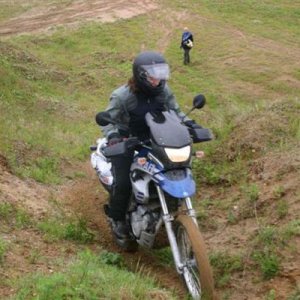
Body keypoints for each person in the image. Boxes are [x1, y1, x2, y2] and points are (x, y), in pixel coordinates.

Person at [98, 51, 201, 241]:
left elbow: (177, 113)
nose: (158, 80)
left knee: (176, 169)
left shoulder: (164, 91)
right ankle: (117, 219)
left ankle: (169, 208)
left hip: (157, 140)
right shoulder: (122, 96)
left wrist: (192, 125)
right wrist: (113, 137)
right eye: (154, 76)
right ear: (141, 75)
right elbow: (107, 121)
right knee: (123, 182)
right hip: (126, 142)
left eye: (161, 74)